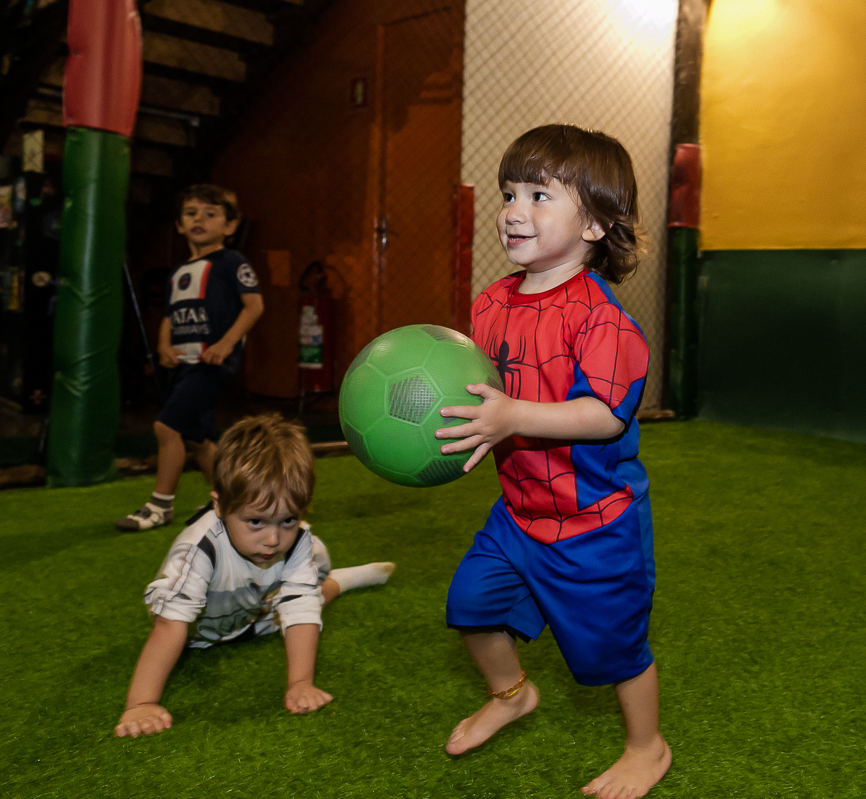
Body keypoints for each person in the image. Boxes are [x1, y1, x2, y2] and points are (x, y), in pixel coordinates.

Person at [437, 125, 671, 799]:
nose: (514, 209)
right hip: (518, 514)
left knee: (615, 651)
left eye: (540, 195)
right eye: (511, 192)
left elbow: (603, 415)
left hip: (595, 523)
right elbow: (482, 391)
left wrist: (511, 417)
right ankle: (511, 694)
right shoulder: (489, 306)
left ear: (596, 223)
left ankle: (646, 747)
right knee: (471, 607)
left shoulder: (604, 321)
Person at [114, 413, 395, 738]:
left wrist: (300, 684)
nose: (272, 540)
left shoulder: (295, 540)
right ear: (219, 506)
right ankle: (337, 581)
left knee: (309, 570)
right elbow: (169, 626)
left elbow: (301, 611)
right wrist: (141, 702)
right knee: (291, 583)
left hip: (256, 616)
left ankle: (339, 582)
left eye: (287, 520)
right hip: (199, 630)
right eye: (256, 522)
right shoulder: (199, 549)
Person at [117, 184, 264, 531]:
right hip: (181, 365)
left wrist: (227, 344)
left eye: (210, 214)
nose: (199, 219)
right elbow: (170, 315)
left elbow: (254, 305)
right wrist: (164, 345)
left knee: (166, 426)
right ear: (180, 225)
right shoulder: (177, 273)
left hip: (210, 365)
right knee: (198, 440)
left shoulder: (231, 262)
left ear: (230, 226)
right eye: (191, 213)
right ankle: (228, 501)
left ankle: (160, 506)